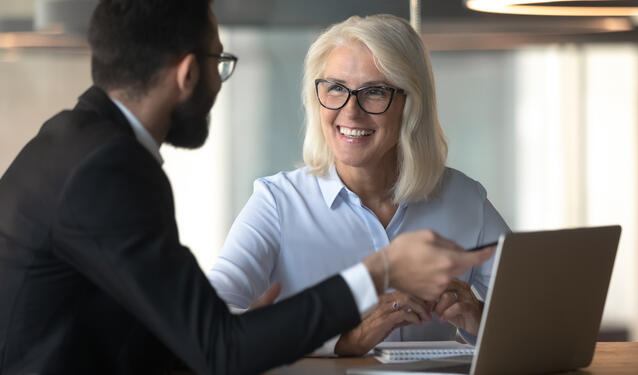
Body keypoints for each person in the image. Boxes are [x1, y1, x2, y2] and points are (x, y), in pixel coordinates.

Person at [0, 2, 496, 374]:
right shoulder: (108, 168)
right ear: (188, 72)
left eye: (374, 92)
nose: (350, 109)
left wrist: (252, 332)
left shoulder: (71, 143)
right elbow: (215, 345)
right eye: (219, 65)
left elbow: (193, 337)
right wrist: (382, 269)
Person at [209, 14, 510, 357]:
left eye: (375, 91)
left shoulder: (465, 200)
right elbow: (212, 325)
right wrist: (340, 341)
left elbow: (537, 314)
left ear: (410, 104)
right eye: (336, 87)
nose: (350, 111)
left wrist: (480, 319)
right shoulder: (278, 203)